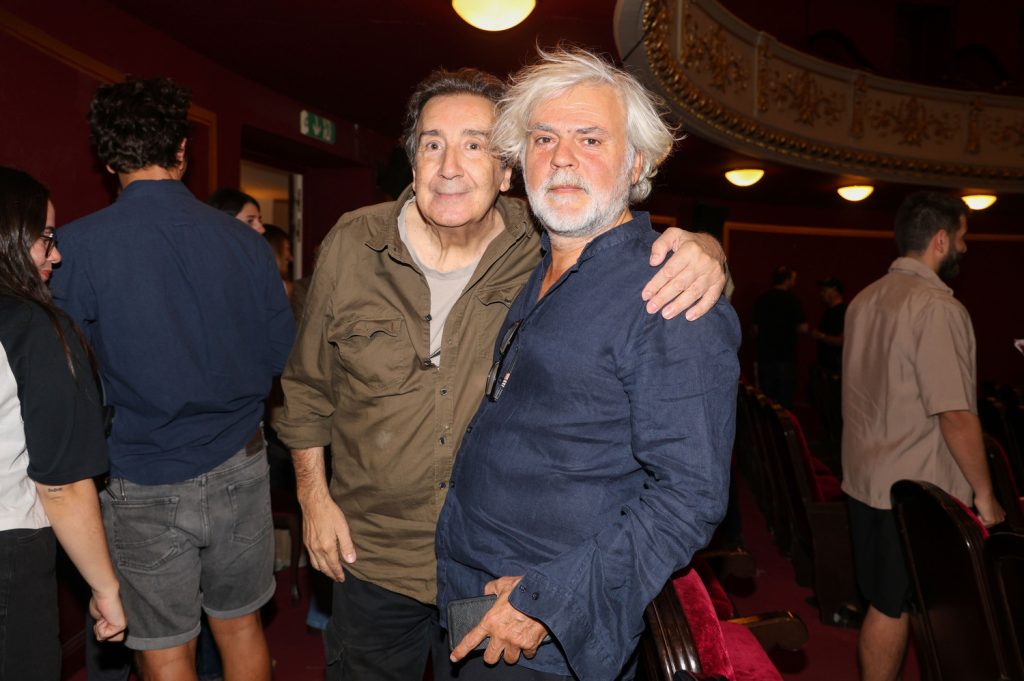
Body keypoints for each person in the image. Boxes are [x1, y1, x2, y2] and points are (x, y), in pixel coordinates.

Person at [274, 66, 728, 680]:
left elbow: (687, 484)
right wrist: (312, 496)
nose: (449, 167)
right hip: (374, 554)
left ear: (505, 171)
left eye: (474, 145)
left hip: (502, 586)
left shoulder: (542, 243)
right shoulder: (356, 242)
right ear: (411, 160)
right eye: (432, 144)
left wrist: (708, 253)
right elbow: (305, 388)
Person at [435, 47, 740, 681]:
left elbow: (689, 497)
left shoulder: (670, 295)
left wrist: (547, 603)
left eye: (590, 138)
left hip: (541, 632)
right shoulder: (539, 264)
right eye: (544, 138)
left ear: (638, 162)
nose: (562, 157)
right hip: (473, 595)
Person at [51, 77, 294, 681]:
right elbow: (278, 357)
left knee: (165, 651)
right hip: (240, 460)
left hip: (140, 473)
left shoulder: (74, 248)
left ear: (108, 159)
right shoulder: (246, 244)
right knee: (241, 627)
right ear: (182, 151)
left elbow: (68, 378)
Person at [841, 191, 1006, 681]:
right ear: (940, 240)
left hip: (864, 480)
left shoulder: (865, 299)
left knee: (884, 600)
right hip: (912, 490)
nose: (965, 247)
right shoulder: (936, 307)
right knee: (891, 607)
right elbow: (955, 413)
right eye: (962, 237)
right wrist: (986, 496)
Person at [0, 167, 126, 680]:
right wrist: (106, 588)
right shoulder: (33, 326)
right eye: (46, 238)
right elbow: (63, 485)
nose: (56, 255)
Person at [752, 264, 807, 408]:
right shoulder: (793, 300)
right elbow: (803, 328)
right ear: (787, 280)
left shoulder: (762, 300)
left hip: (765, 356)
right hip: (786, 357)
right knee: (785, 400)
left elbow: (755, 329)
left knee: (766, 400)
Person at [812, 276, 845, 375]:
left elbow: (842, 340)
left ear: (835, 291)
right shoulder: (828, 312)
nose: (821, 294)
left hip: (836, 368)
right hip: (826, 367)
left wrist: (821, 336)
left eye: (824, 290)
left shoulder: (842, 311)